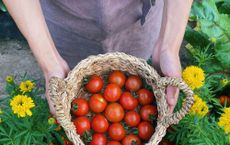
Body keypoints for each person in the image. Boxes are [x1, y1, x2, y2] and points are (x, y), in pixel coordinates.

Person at [3, 0, 193, 115]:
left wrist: (169, 44)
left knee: (134, 76)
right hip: (65, 20)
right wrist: (50, 62)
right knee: (74, 91)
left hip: (138, 20)